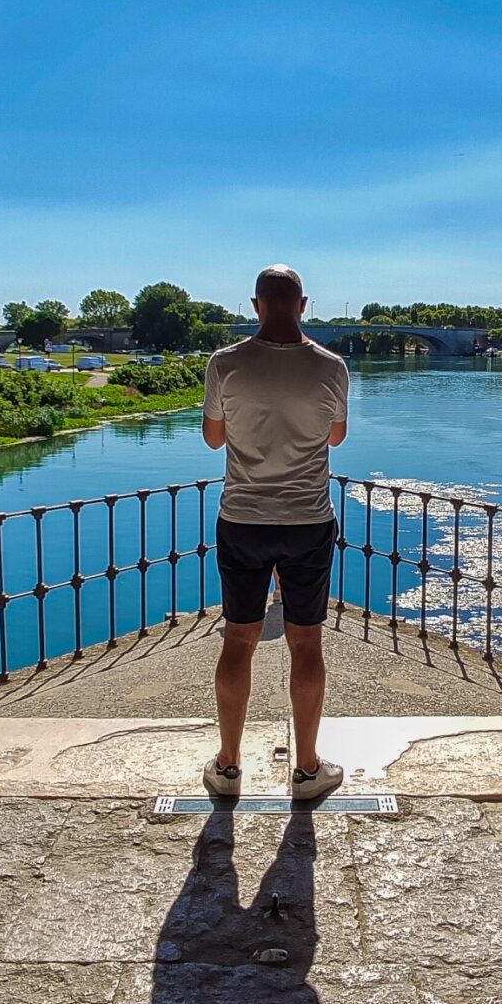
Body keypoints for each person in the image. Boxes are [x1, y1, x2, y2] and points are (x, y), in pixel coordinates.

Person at [200, 265, 349, 803]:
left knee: (238, 639)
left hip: (243, 518)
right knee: (305, 642)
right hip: (308, 520)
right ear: (304, 305)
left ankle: (228, 765)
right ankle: (306, 770)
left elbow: (213, 440)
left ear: (255, 305)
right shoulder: (331, 367)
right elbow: (336, 437)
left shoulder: (225, 363)